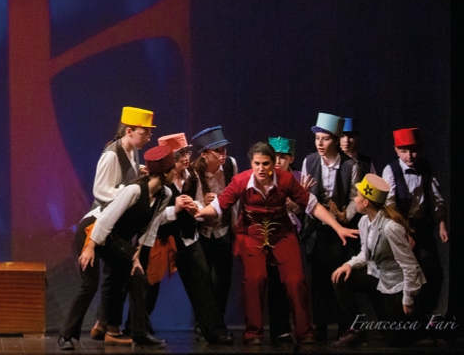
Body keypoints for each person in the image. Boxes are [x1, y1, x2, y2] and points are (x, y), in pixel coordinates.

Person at [182, 142, 358, 345]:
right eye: (257, 163)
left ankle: (304, 331)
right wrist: (198, 212)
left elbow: (313, 205)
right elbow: (218, 206)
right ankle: (253, 333)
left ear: (273, 164)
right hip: (251, 233)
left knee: (295, 280)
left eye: (265, 164)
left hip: (281, 232)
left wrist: (338, 227)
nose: (261, 168)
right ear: (251, 164)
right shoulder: (241, 181)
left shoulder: (285, 180)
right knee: (254, 279)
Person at [58, 145, 176, 350]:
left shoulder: (164, 194)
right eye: (174, 169)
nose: (177, 172)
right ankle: (65, 336)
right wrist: (90, 247)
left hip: (114, 238)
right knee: (90, 285)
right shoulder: (134, 190)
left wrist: (138, 254)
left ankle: (140, 333)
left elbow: (151, 227)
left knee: (137, 275)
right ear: (165, 172)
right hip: (92, 231)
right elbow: (107, 218)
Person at [145, 133, 233, 344]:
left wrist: (199, 206)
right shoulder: (158, 183)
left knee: (202, 281)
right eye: (179, 155)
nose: (185, 159)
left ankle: (214, 331)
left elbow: (199, 202)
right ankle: (137, 328)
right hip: (162, 239)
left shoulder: (191, 176)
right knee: (150, 286)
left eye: (187, 153)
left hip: (187, 237)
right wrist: (174, 210)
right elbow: (150, 216)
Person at [331, 174, 424, 347]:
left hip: (396, 283)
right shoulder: (364, 222)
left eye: (357, 196)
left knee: (394, 340)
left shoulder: (391, 228)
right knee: (341, 278)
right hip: (377, 277)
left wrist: (408, 299)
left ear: (366, 202)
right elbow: (365, 254)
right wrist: (348, 264)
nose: (355, 199)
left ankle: (426, 327)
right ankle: (356, 330)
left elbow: (410, 267)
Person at [88, 106, 153, 343]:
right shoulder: (112, 154)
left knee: (114, 275)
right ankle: (110, 328)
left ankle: (103, 323)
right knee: (118, 273)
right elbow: (100, 190)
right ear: (128, 131)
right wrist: (130, 191)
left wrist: (138, 175)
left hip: (120, 221)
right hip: (106, 220)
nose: (147, 138)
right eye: (144, 133)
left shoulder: (132, 152)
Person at [300, 112, 358, 341]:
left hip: (340, 229)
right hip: (316, 227)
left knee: (340, 276)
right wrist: (303, 195)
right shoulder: (309, 161)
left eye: (325, 139)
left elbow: (354, 197)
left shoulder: (350, 165)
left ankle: (345, 324)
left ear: (336, 140)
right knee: (319, 278)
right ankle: (320, 324)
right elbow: (304, 197)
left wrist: (346, 214)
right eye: (317, 139)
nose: (320, 144)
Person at [380, 128, 447, 319]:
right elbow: (389, 205)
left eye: (413, 150)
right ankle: (405, 316)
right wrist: (404, 232)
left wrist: (441, 223)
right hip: (399, 224)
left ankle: (425, 314)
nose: (409, 156)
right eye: (404, 151)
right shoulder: (390, 170)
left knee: (432, 270)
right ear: (396, 150)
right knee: (406, 271)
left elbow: (435, 198)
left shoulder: (425, 167)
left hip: (422, 225)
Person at [188, 126, 237, 332]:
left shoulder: (230, 165)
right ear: (205, 154)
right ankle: (203, 323)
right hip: (202, 232)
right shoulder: (194, 172)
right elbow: (189, 203)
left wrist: (234, 221)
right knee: (204, 280)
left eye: (224, 150)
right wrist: (203, 202)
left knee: (223, 279)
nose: (223, 155)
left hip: (223, 229)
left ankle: (218, 322)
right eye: (217, 151)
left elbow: (235, 195)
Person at [267, 136, 301, 343]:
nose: (278, 161)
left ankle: (298, 326)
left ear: (291, 159)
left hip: (293, 233)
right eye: (275, 157)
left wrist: (294, 204)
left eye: (283, 157)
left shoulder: (298, 178)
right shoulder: (264, 177)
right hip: (271, 235)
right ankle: (279, 329)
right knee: (274, 283)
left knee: (293, 282)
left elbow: (305, 207)